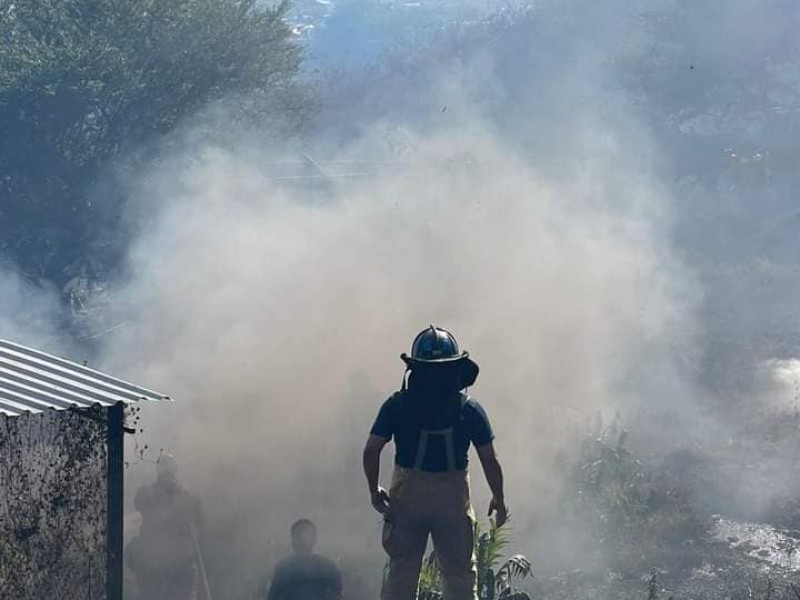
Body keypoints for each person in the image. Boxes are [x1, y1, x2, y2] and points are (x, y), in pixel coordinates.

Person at [363, 326, 509, 600]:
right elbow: (489, 459)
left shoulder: (396, 405)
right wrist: (498, 498)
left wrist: (374, 490)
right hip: (452, 506)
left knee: (401, 574)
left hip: (406, 502)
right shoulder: (469, 410)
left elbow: (371, 450)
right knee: (460, 578)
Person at [127, 454, 204, 600]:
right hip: (181, 567)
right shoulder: (189, 495)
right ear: (175, 470)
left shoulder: (145, 493)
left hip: (152, 568)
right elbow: (200, 522)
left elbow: (138, 504)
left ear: (158, 471)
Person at [267, 519, 344, 600]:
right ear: (315, 540)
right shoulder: (329, 567)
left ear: (293, 542)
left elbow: (273, 597)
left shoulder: (283, 568)